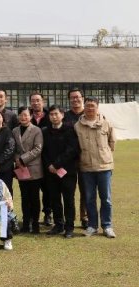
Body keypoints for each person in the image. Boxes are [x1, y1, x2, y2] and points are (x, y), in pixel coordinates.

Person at [74, 97, 116, 238]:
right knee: (89, 198)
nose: (90, 108)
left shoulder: (106, 123)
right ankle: (92, 226)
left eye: (92, 106)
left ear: (97, 107)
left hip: (104, 167)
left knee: (106, 199)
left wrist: (104, 155)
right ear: (84, 107)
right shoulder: (77, 126)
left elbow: (112, 143)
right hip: (86, 168)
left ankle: (107, 226)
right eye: (87, 106)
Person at [42, 105, 80, 238]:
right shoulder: (45, 131)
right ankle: (58, 225)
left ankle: (69, 227)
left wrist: (57, 164)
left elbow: (72, 150)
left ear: (62, 115)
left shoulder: (70, 130)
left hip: (67, 171)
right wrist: (49, 165)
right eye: (51, 114)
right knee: (55, 199)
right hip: (51, 172)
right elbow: (43, 151)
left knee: (69, 200)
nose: (53, 117)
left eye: (56, 114)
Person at [13, 106, 44, 233]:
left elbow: (38, 149)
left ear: (31, 116)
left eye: (26, 115)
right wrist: (17, 159)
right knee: (24, 197)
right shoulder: (15, 130)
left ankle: (35, 223)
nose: (23, 117)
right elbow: (14, 148)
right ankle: (26, 223)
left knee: (34, 198)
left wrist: (22, 159)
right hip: (21, 169)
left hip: (33, 168)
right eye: (21, 115)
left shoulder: (36, 130)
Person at [64, 88, 88, 229]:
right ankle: (70, 219)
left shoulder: (89, 114)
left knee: (86, 190)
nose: (75, 99)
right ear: (69, 100)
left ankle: (85, 217)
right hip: (69, 161)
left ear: (82, 98)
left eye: (77, 97)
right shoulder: (65, 116)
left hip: (86, 159)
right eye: (72, 97)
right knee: (69, 192)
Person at [29, 91, 52, 225]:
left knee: (48, 189)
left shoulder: (50, 116)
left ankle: (48, 213)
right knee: (32, 190)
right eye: (33, 100)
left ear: (43, 101)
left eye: (38, 100)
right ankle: (33, 216)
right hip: (31, 161)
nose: (35, 103)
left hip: (47, 159)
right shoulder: (27, 117)